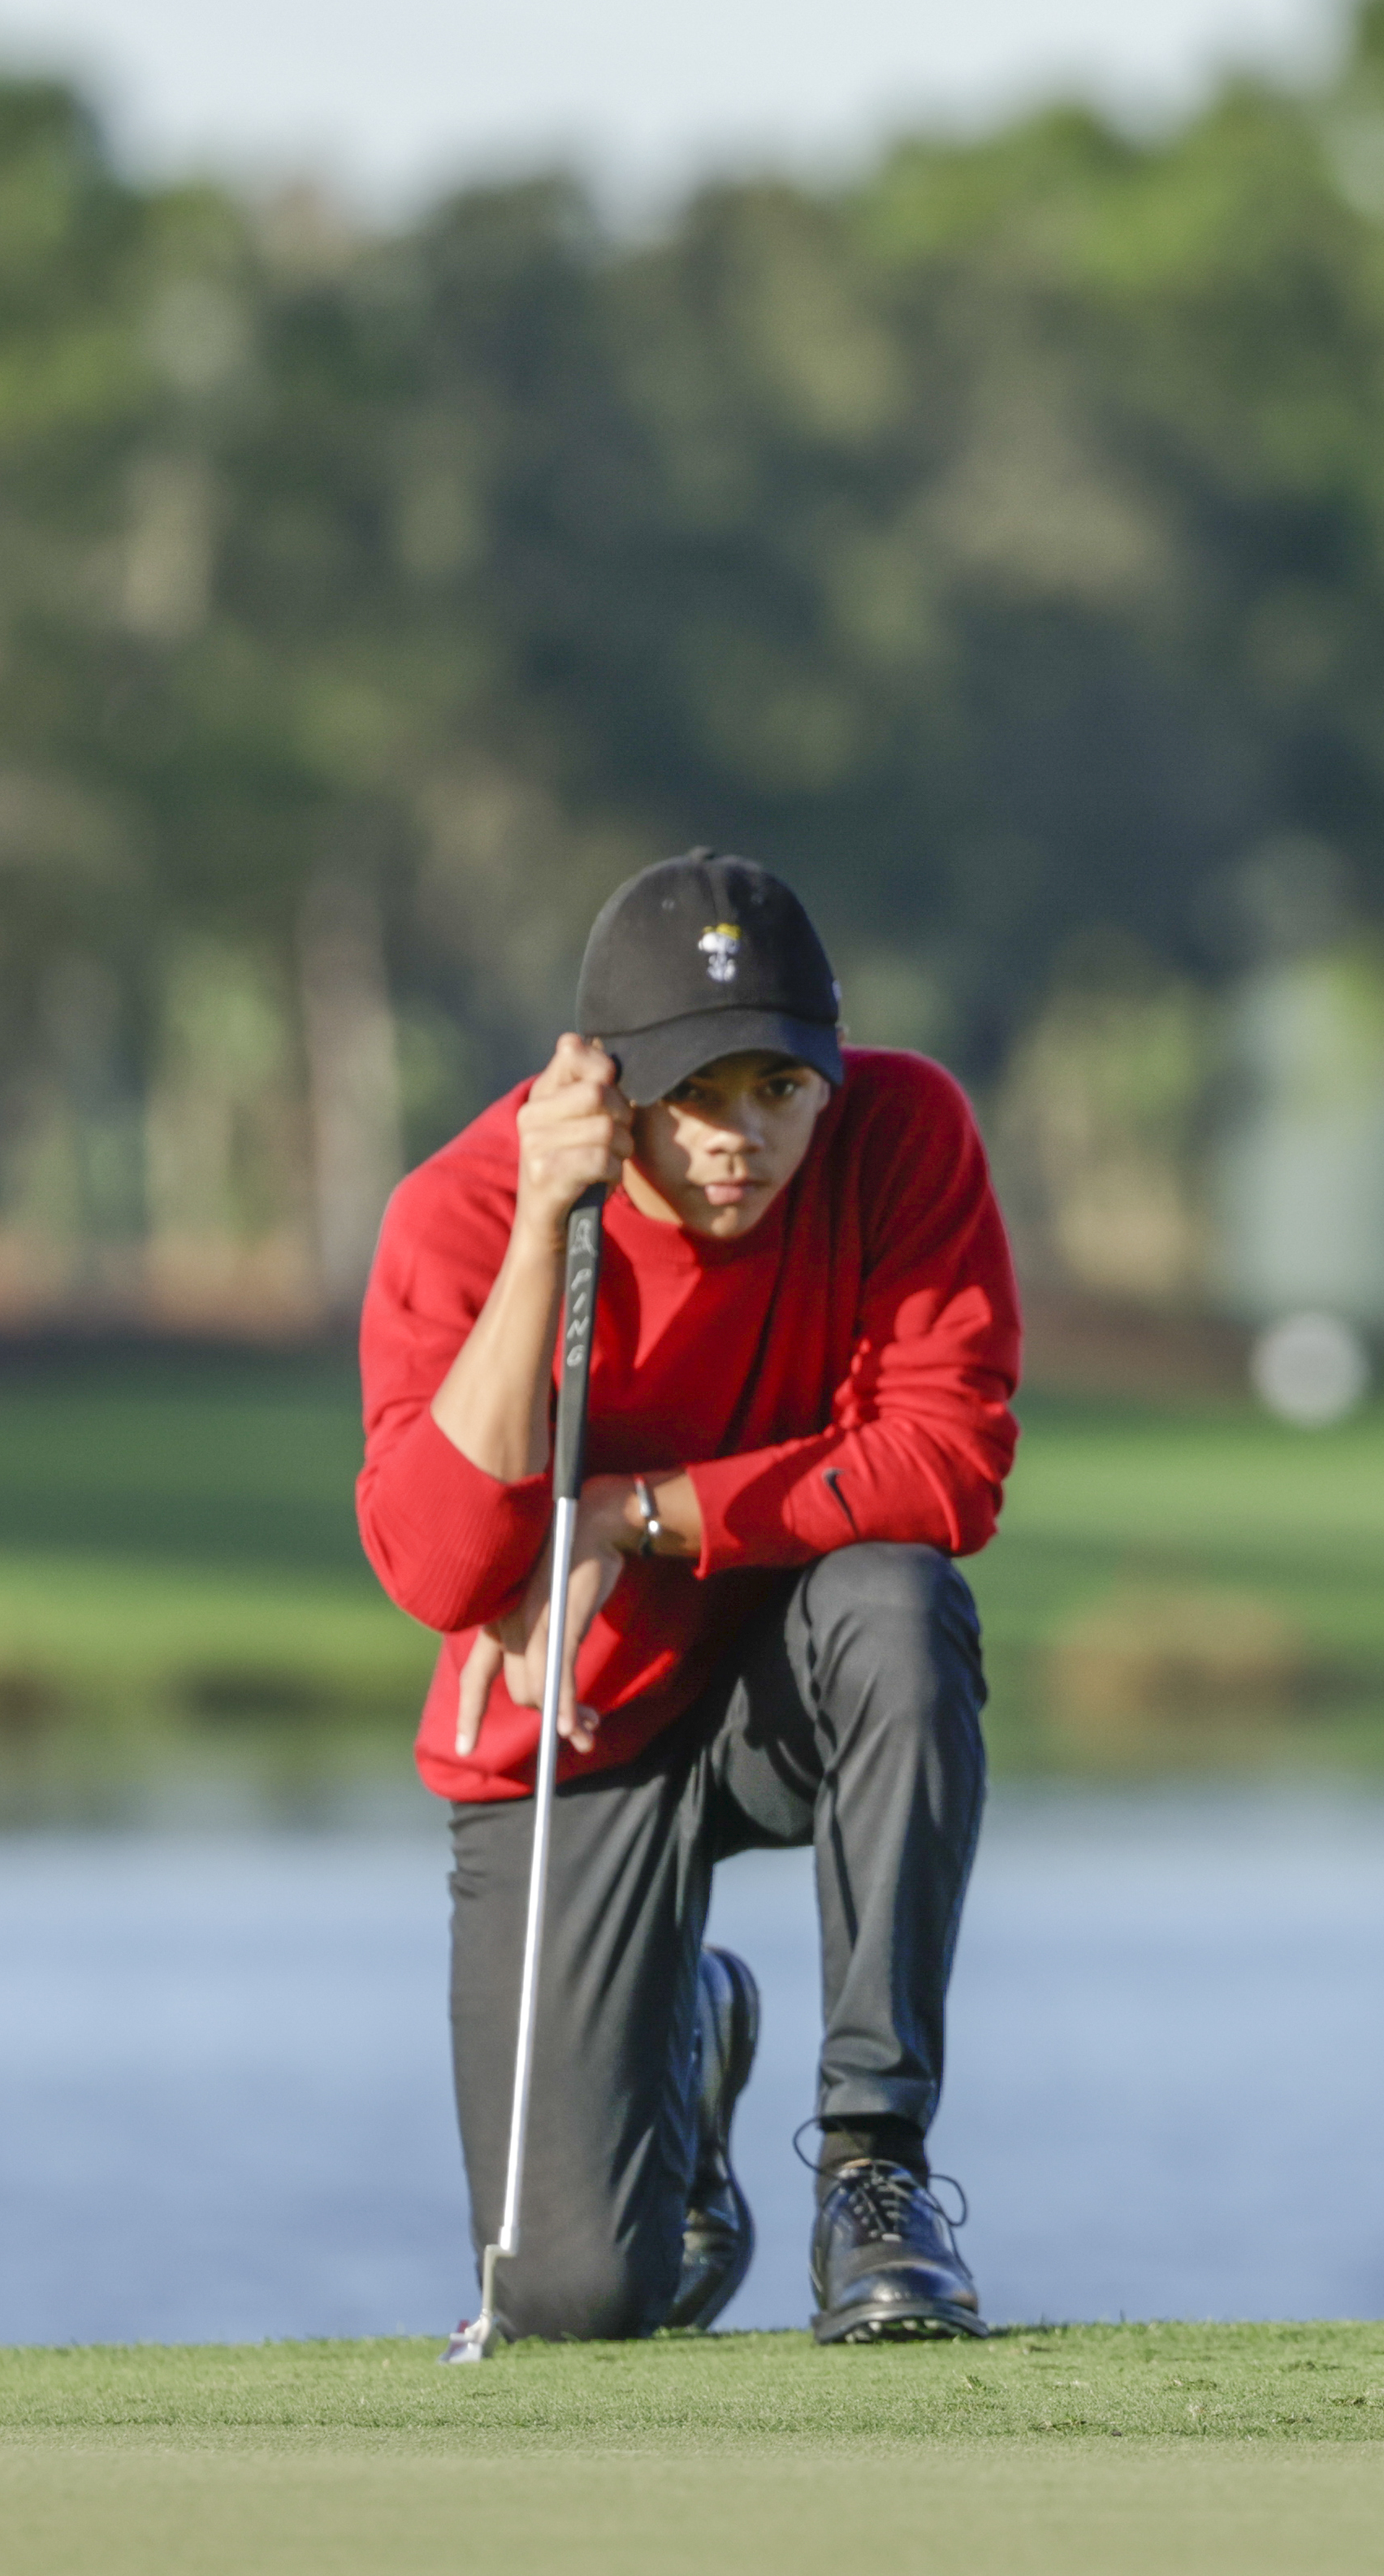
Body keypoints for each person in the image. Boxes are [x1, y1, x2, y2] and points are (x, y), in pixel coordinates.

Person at [357, 849, 1022, 2344]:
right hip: (574, 1725)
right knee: (577, 2299)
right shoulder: (464, 1212)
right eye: (699, 1095)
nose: (743, 1137)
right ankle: (693, 2034)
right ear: (606, 1086)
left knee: (902, 1608)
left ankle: (874, 2173)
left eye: (779, 1090)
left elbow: (952, 1463)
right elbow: (443, 1571)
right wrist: (544, 1226)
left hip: (795, 1680)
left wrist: (635, 1515)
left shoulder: (903, 1135)